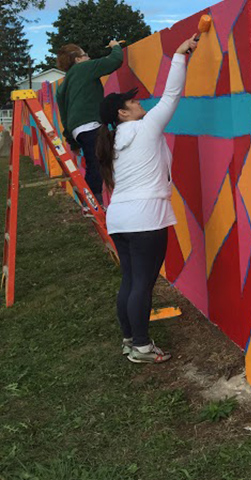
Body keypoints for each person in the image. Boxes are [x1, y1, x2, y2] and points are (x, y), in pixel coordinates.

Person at [96, 34, 198, 363]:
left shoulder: (114, 141)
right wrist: (180, 56)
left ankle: (130, 339)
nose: (139, 103)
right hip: (145, 218)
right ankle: (140, 345)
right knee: (142, 282)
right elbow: (172, 95)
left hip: (120, 219)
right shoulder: (145, 128)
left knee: (130, 279)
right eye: (132, 102)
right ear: (123, 114)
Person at [56, 41, 124, 212]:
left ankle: (92, 201)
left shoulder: (63, 85)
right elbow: (114, 61)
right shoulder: (85, 68)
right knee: (97, 163)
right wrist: (116, 46)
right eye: (85, 54)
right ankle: (92, 203)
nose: (89, 57)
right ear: (78, 59)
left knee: (99, 159)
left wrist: (73, 142)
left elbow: (64, 115)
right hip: (90, 124)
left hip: (77, 129)